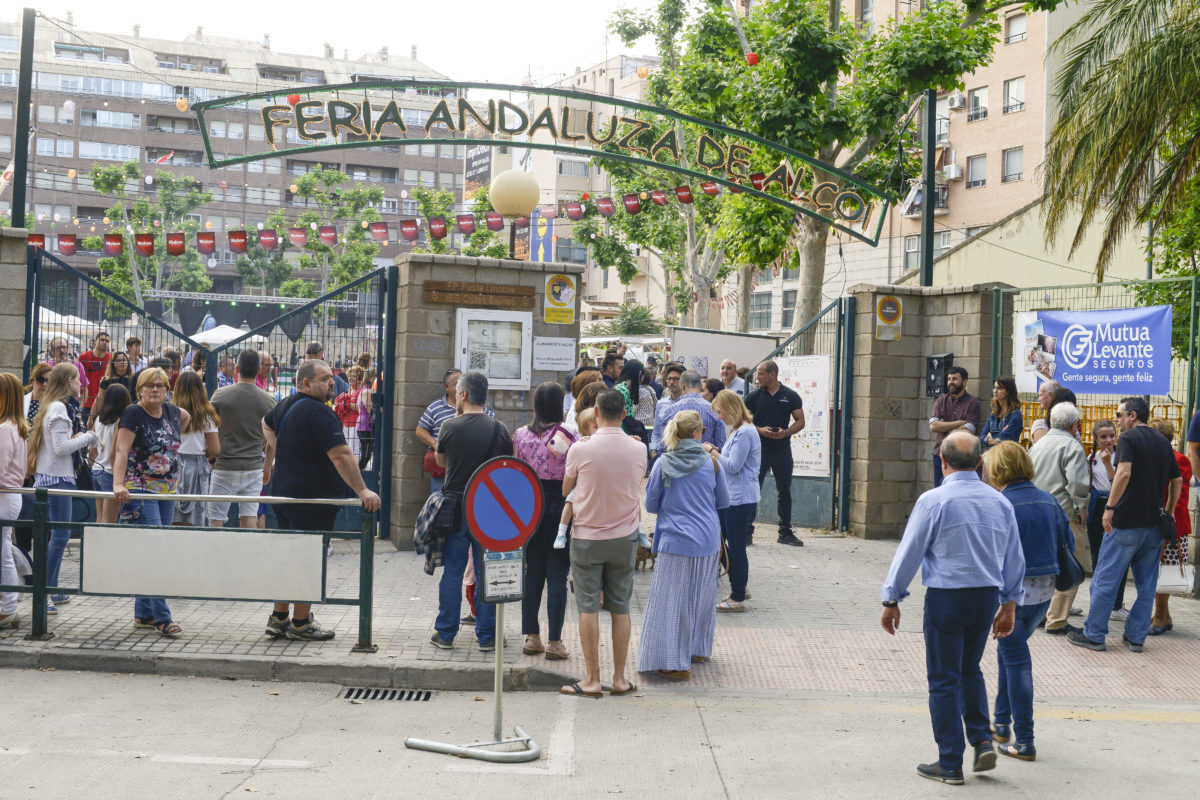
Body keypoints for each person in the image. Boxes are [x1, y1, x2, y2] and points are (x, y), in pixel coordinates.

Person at [880, 431, 1024, 785]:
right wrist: (1010, 602)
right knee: (969, 670)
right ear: (979, 462)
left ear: (942, 462)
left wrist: (892, 597)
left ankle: (949, 762)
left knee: (943, 679)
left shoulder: (934, 500)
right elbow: (1014, 556)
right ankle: (982, 739)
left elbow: (910, 551)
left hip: (947, 598)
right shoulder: (1000, 502)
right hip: (986, 596)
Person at [262, 359, 381, 641]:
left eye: (331, 378)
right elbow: (341, 455)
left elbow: (266, 425)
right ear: (306, 383)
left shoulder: (287, 404)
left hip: (284, 495)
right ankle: (301, 623)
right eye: (325, 379)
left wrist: (281, 454)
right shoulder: (319, 413)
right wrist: (363, 491)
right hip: (311, 501)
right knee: (307, 560)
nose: (331, 383)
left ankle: (279, 617)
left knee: (289, 557)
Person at [1069, 397, 1181, 653]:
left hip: (1126, 522)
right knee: (1146, 583)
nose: (1117, 420)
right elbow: (1177, 480)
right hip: (1154, 524)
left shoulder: (1129, 439)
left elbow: (1123, 473)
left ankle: (1095, 634)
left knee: (1105, 579)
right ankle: (1136, 636)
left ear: (1132, 415)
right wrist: (1170, 511)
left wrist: (1109, 508)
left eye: (1119, 415)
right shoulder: (1163, 442)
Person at [982, 441, 1066, 762]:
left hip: (1011, 597)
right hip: (1044, 594)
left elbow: (991, 552)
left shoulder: (1000, 503)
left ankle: (1025, 740)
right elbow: (1066, 543)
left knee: (1016, 660)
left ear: (998, 468)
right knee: (1009, 653)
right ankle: (1001, 724)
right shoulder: (1049, 500)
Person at [560, 389, 647, 697]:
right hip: (624, 537)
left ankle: (592, 679)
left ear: (594, 413)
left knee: (587, 606)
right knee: (621, 607)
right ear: (624, 414)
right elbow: (636, 481)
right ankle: (621, 678)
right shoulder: (639, 449)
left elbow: (565, 489)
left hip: (586, 536)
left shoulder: (580, 449)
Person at [639, 409, 729, 681]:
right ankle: (697, 650)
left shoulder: (663, 463)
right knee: (701, 598)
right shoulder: (712, 463)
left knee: (671, 602)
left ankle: (675, 663)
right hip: (708, 539)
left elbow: (651, 504)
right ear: (695, 433)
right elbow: (723, 501)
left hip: (675, 540)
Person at [429, 371, 511, 652]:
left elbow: (440, 460)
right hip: (489, 508)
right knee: (487, 570)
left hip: (456, 505)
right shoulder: (500, 429)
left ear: (462, 395)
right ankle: (487, 636)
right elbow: (507, 466)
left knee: (453, 570)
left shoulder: (450, 426)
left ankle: (445, 634)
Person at [112, 367, 188, 637]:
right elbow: (121, 451)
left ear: (168, 389)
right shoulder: (134, 413)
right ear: (139, 389)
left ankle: (143, 613)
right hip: (141, 490)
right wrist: (118, 484)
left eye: (161, 385)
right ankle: (162, 617)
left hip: (168, 490)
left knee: (152, 549)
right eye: (149, 385)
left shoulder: (173, 412)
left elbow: (186, 419)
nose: (155, 390)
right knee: (156, 550)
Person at [28, 362, 98, 615]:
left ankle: (51, 589)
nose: (81, 385)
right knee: (59, 538)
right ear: (69, 381)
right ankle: (45, 591)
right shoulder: (58, 407)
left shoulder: (53, 405)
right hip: (56, 479)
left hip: (55, 477)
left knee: (58, 537)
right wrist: (87, 437)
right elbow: (60, 447)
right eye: (78, 380)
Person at [513, 383, 575, 662]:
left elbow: (515, 469)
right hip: (560, 508)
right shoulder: (570, 435)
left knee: (532, 573)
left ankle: (531, 636)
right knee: (557, 575)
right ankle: (554, 641)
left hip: (529, 507)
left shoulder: (520, 435)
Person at [1029, 402, 1089, 636]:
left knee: (1046, 566)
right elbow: (1078, 484)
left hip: (1040, 514)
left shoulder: (1038, 445)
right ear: (1075, 425)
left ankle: (1041, 614)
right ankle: (1057, 620)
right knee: (1070, 565)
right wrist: (1082, 508)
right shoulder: (1072, 446)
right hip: (1065, 514)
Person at [208, 349, 276, 530]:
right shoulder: (268, 401)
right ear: (259, 369)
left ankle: (216, 555)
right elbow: (272, 440)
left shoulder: (219, 396)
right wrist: (267, 465)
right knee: (249, 517)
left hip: (224, 466)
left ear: (237, 368)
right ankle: (247, 556)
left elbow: (210, 430)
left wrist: (211, 458)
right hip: (253, 467)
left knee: (216, 519)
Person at [745, 360, 805, 546]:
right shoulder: (753, 396)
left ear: (773, 374)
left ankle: (785, 532)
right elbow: (743, 422)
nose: (757, 377)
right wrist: (760, 430)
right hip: (759, 450)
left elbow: (800, 421)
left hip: (782, 450)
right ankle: (747, 531)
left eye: (761, 373)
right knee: (753, 490)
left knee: (784, 490)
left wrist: (785, 433)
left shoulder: (790, 395)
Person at [712, 390, 760, 611]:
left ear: (731, 409)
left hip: (740, 498)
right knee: (722, 540)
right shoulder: (737, 430)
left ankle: (738, 595)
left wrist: (713, 452)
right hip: (733, 497)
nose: (720, 417)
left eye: (721, 412)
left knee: (736, 546)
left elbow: (732, 466)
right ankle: (739, 583)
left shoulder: (745, 433)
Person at [1146, 418, 1190, 636]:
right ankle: (1163, 614)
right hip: (1156, 522)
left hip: (1171, 526)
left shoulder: (1178, 460)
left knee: (1165, 571)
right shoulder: (1152, 458)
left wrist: (1166, 524)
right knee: (1158, 571)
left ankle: (1161, 616)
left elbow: (1179, 498)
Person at [1086, 421, 1127, 620]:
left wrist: (1108, 463)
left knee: (1117, 556)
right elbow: (1089, 484)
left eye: (1111, 435)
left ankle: (1117, 604)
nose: (1109, 440)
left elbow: (1117, 483)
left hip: (1115, 506)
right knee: (1097, 554)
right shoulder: (1091, 458)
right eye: (1103, 437)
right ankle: (1098, 600)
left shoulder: (1122, 457)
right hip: (1097, 506)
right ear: (1095, 438)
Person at [0, 373, 28, 635]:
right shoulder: (15, 426)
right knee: (4, 551)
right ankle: (8, 606)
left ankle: (8, 607)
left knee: (3, 553)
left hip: (4, 495)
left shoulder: (6, 428)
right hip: (10, 495)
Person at [171, 372, 219, 527]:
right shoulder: (206, 415)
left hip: (173, 462)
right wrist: (209, 458)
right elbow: (215, 448)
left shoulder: (171, 412)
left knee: (173, 510)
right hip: (197, 464)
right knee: (196, 513)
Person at [927, 366, 981, 487]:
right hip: (940, 454)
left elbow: (968, 430)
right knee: (939, 490)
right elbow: (933, 427)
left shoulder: (973, 403)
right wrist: (959, 423)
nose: (951, 382)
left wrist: (944, 424)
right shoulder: (941, 401)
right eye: (949, 379)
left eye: (955, 379)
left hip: (961, 455)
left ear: (964, 382)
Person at [553, 407, 598, 549]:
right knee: (570, 500)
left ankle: (639, 529)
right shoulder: (583, 441)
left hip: (597, 483)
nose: (599, 429)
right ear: (585, 429)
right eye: (595, 426)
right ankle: (561, 532)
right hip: (582, 483)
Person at [89, 383, 131, 525]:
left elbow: (93, 449)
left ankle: (94, 546)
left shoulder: (98, 419)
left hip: (97, 470)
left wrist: (92, 467)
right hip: (109, 473)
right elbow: (114, 453)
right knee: (109, 521)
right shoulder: (120, 422)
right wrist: (118, 480)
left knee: (99, 518)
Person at [980, 377, 1022, 451]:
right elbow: (981, 437)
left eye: (999, 388)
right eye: (994, 388)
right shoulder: (993, 413)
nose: (995, 391)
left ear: (1008, 391)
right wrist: (998, 436)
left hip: (1007, 456)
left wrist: (990, 437)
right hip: (991, 455)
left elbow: (1004, 438)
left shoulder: (1015, 414)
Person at [78, 330, 111, 420]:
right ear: (95, 341)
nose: (105, 342)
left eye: (107, 341)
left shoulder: (110, 358)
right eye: (102, 340)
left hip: (104, 403)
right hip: (87, 402)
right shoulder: (83, 357)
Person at [45, 336, 89, 404]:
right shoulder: (46, 365)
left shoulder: (78, 365)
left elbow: (84, 389)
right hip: (50, 403)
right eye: (58, 348)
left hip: (71, 405)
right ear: (52, 351)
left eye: (64, 347)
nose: (62, 350)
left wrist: (80, 409)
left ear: (68, 348)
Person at [334, 366, 363, 461]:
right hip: (346, 424)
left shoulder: (361, 391)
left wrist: (347, 404)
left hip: (355, 424)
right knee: (347, 448)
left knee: (354, 449)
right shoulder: (349, 391)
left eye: (354, 376)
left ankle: (356, 470)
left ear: (359, 379)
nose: (350, 378)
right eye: (349, 376)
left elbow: (362, 409)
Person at [1027, 380, 1061, 445]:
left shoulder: (1040, 425)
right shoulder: (1071, 424)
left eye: (1040, 395)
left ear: (1051, 395)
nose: (1038, 400)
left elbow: (1047, 449)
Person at [356, 369, 375, 471]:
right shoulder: (367, 391)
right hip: (365, 424)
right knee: (366, 452)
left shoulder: (366, 389)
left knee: (367, 451)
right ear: (371, 378)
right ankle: (359, 471)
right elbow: (370, 408)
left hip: (365, 424)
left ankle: (360, 470)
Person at [23, 362, 52, 428]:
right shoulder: (21, 402)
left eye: (48, 380)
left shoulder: (55, 404)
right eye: (40, 380)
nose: (44, 384)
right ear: (32, 381)